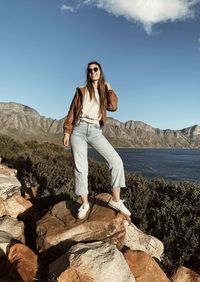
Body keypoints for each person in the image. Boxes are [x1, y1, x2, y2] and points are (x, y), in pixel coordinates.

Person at [63, 61, 131, 219]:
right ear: (87, 73)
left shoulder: (103, 91)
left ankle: (116, 200)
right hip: (78, 129)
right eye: (90, 70)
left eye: (95, 69)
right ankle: (85, 203)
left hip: (95, 130)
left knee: (116, 162)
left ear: (100, 71)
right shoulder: (81, 90)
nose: (92, 72)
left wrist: (109, 88)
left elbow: (113, 106)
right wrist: (67, 131)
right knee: (81, 168)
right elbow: (72, 110)